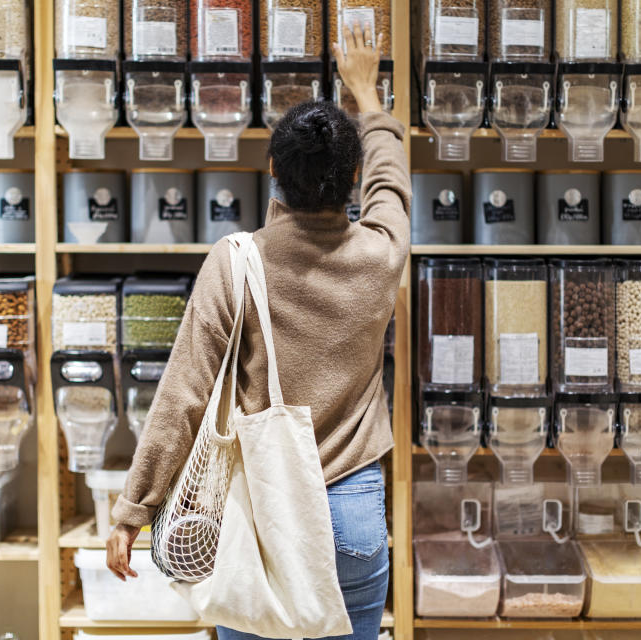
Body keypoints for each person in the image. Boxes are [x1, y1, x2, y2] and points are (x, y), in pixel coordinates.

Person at [106, 20, 410, 640]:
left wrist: (133, 509)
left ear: (272, 168)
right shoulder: (381, 256)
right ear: (352, 180)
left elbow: (185, 392)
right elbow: (392, 184)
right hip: (353, 521)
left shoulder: (237, 259)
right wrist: (369, 99)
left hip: (262, 519)